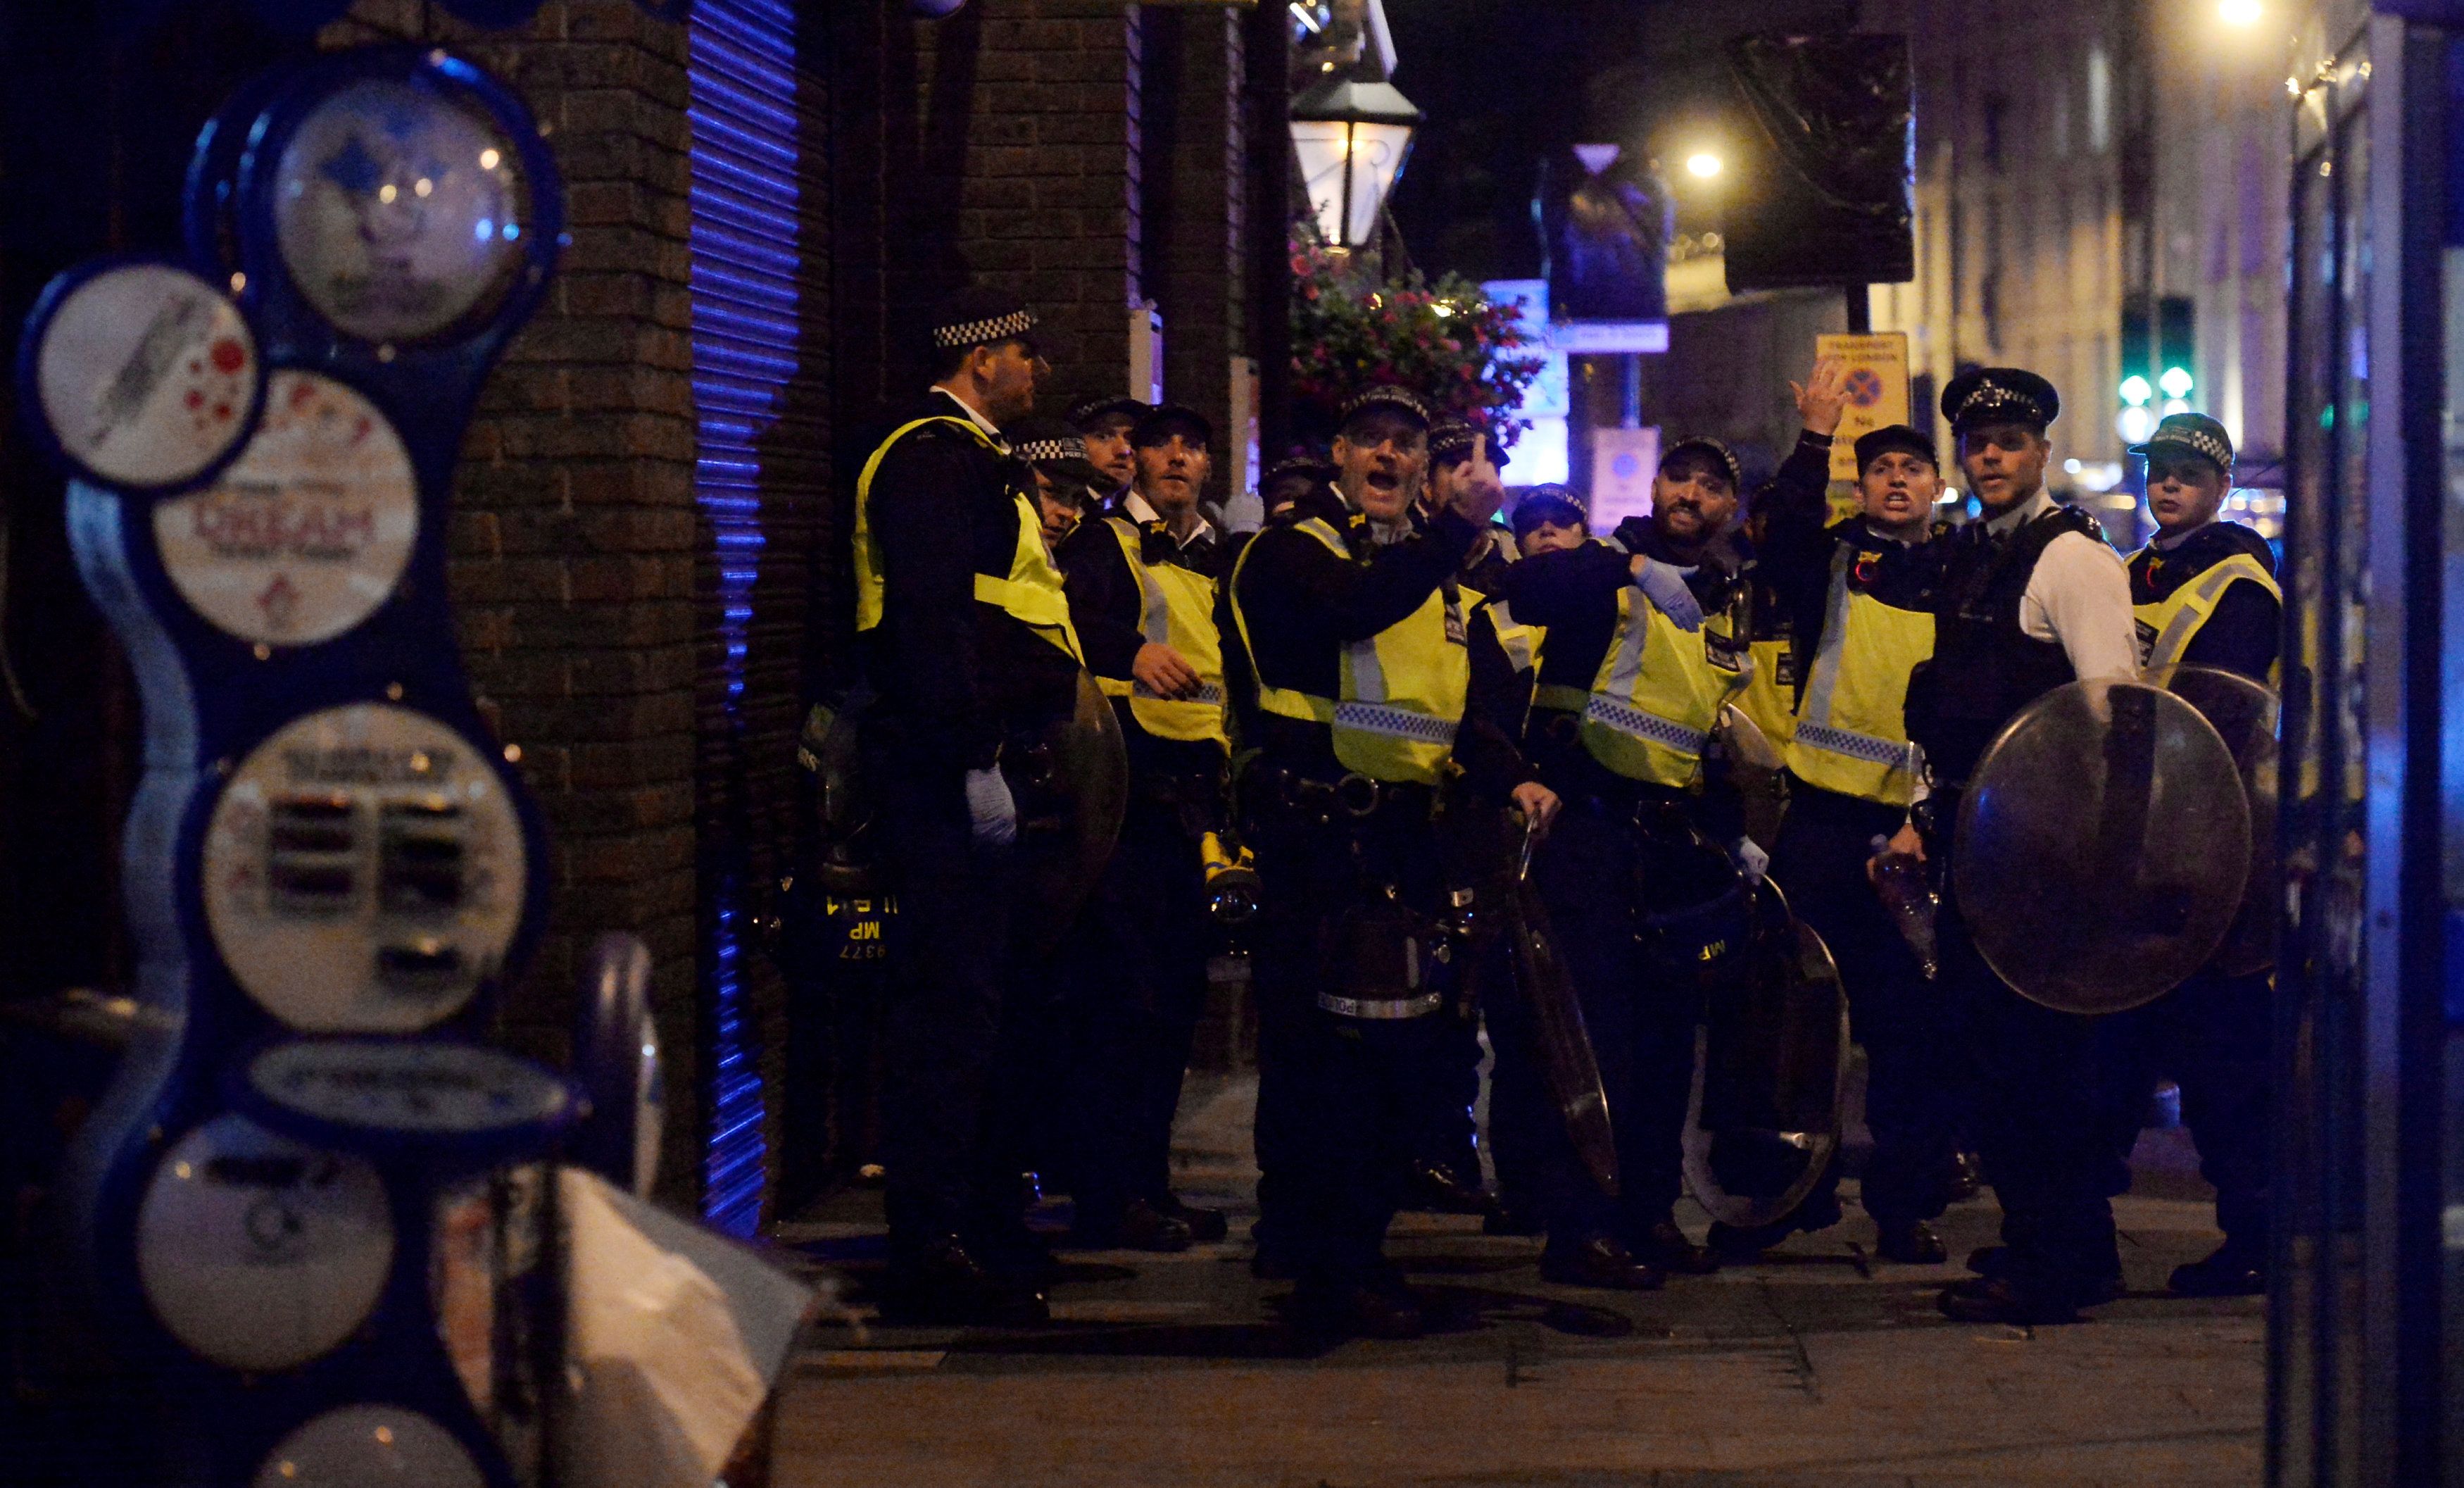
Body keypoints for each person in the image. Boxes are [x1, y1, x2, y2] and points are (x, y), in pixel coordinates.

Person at [1228, 384, 1559, 1337]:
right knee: (1326, 1060)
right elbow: (1346, 612)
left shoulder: (1440, 583)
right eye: (1369, 439)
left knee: (1388, 1061)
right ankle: (1329, 1263)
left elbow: (1471, 711)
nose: (1387, 455)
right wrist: (1448, 536)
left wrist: (1517, 777)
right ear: (1338, 455)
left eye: (1405, 444)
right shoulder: (1290, 553)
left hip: (1409, 845)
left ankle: (1337, 1246)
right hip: (1321, 839)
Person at [1872, 367, 2141, 1325]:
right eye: (1978, 445)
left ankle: (2052, 1264)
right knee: (2004, 1061)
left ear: (2044, 453)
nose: (1990, 457)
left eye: (2010, 443)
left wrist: (2088, 851)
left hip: (2042, 852)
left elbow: (2114, 711)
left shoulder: (2072, 560)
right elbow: (1944, 708)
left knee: (2035, 1067)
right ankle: (2060, 1240)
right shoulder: (1977, 553)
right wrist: (1917, 814)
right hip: (1978, 840)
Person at [852, 286, 1083, 1325]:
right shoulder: (935, 458)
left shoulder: (970, 459)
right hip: (944, 774)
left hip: (976, 764)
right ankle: (933, 1243)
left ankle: (980, 1220)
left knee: (985, 1005)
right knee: (949, 1012)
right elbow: (934, 625)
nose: (1039, 369)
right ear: (981, 355)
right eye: (1027, 349)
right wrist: (969, 754)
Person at [1492, 437, 1765, 1288]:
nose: (1691, 493)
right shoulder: (1603, 566)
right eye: (1679, 478)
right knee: (1591, 1041)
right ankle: (1579, 1227)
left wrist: (1732, 829)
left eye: (1711, 486)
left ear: (1730, 507)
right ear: (1652, 486)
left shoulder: (1726, 598)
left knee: (1663, 1045)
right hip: (1591, 833)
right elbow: (1525, 585)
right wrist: (1631, 567)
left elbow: (1699, 729)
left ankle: (1649, 1212)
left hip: (1673, 844)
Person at [1737, 363, 1956, 1265]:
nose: (1895, 480)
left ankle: (1904, 1206)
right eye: (1879, 469)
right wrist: (1812, 437)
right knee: (1799, 1020)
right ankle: (1793, 1194)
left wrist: (1931, 816)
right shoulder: (1827, 557)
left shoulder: (1962, 571)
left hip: (1914, 834)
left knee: (1910, 1029)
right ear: (1859, 485)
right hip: (1823, 827)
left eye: (1911, 467)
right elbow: (1774, 534)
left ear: (1936, 487)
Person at [2093, 411, 2279, 1297]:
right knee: (2115, 1040)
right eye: (2157, 471)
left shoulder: (2238, 579)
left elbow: (2222, 711)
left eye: (2184, 476)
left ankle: (2254, 1232)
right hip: (2137, 832)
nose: (2165, 486)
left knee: (2221, 1053)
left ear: (2220, 488)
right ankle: (2077, 1222)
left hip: (2210, 839)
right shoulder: (2131, 571)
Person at [1050, 403, 1233, 1252]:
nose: (1176, 458)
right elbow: (1055, 620)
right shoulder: (1100, 541)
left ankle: (1146, 1185)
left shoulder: (1220, 556)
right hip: (1126, 794)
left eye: (1193, 447)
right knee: (1123, 1003)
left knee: (1173, 1005)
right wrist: (1128, 652)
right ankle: (1106, 1192)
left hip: (1198, 799)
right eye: (1162, 445)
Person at [1069, 394, 1149, 505]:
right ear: (1075, 443)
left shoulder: (1151, 517)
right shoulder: (1054, 513)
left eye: (1132, 439)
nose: (1124, 451)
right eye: (1103, 437)